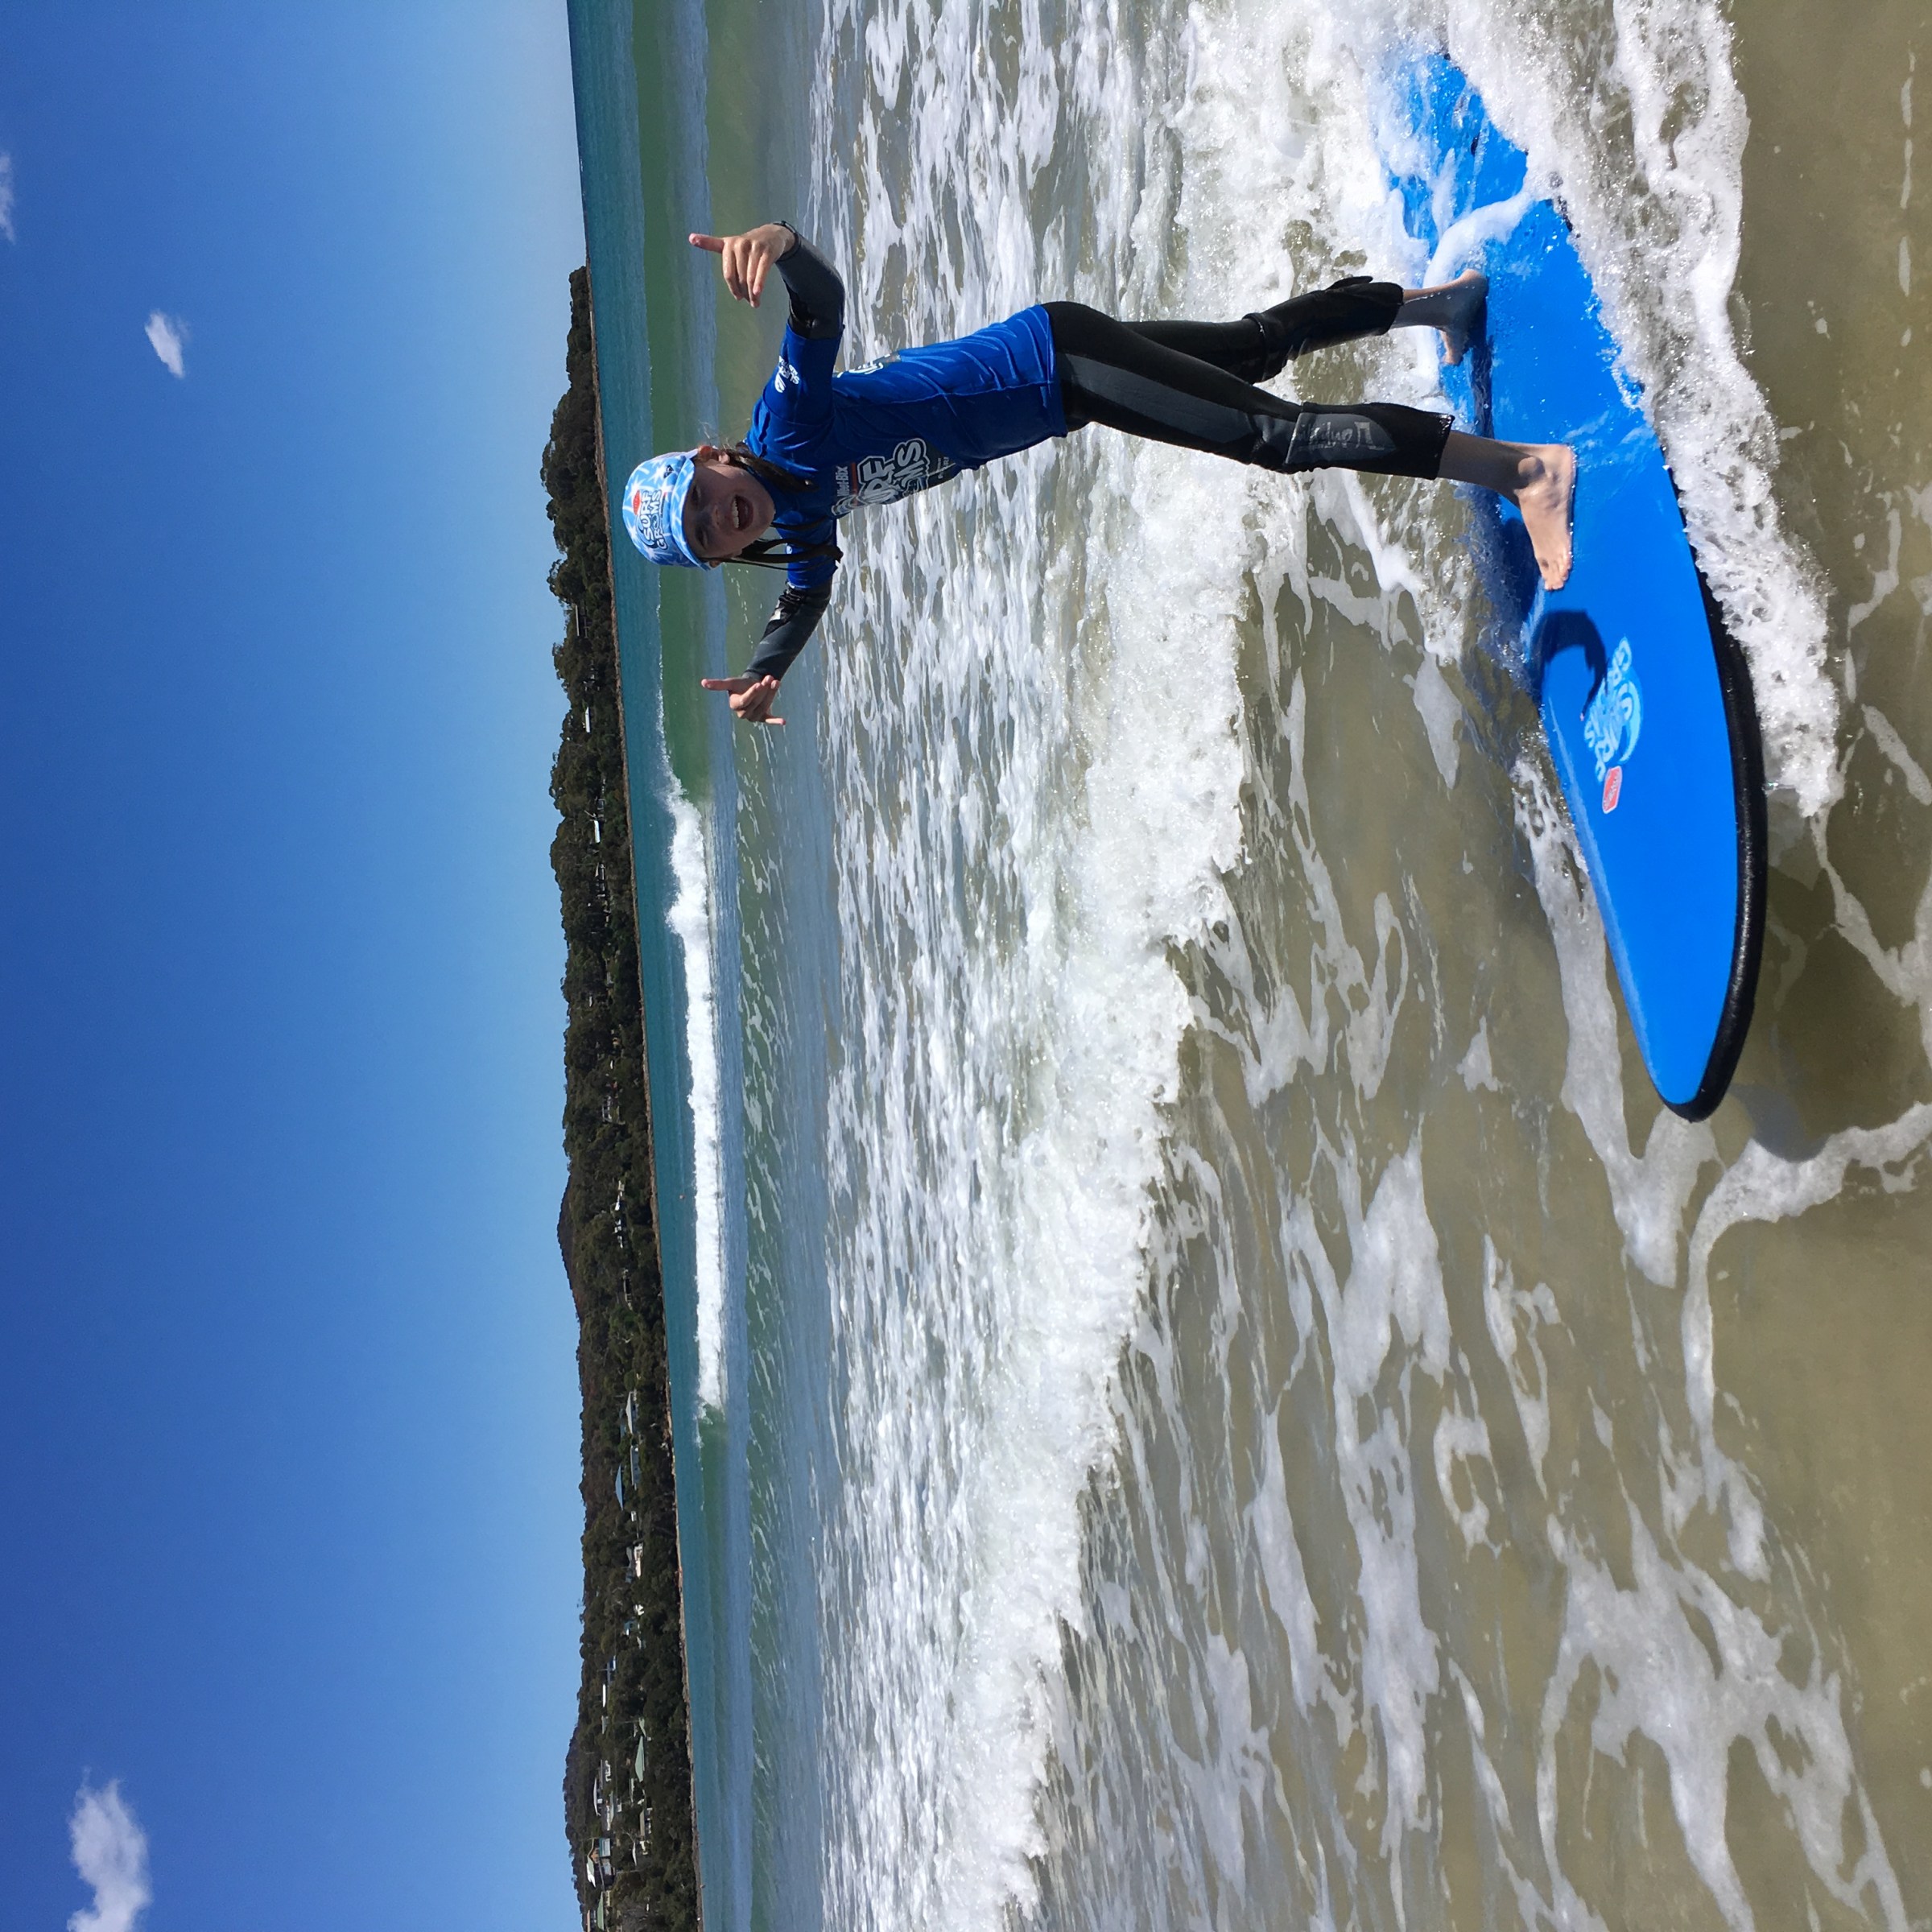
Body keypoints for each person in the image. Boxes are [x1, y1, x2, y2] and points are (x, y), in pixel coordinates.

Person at [621, 222, 1574, 726]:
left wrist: (781, 244)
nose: (721, 515)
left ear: (710, 459)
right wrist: (763, 673)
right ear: (727, 553)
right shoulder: (803, 515)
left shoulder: (787, 424)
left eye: (702, 498)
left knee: (1276, 439)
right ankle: (1440, 305)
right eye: (709, 534)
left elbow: (821, 308)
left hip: (1055, 363)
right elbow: (806, 596)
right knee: (1252, 349)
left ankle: (1523, 470)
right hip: (1069, 383)